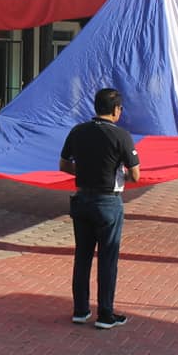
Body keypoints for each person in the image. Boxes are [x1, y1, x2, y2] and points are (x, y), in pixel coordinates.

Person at [59, 88, 140, 330]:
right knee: (107, 258)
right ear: (116, 110)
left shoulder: (78, 131)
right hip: (107, 202)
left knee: (82, 256)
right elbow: (135, 173)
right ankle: (105, 314)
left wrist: (85, 172)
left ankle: (80, 310)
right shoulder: (121, 136)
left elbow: (63, 164)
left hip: (82, 199)